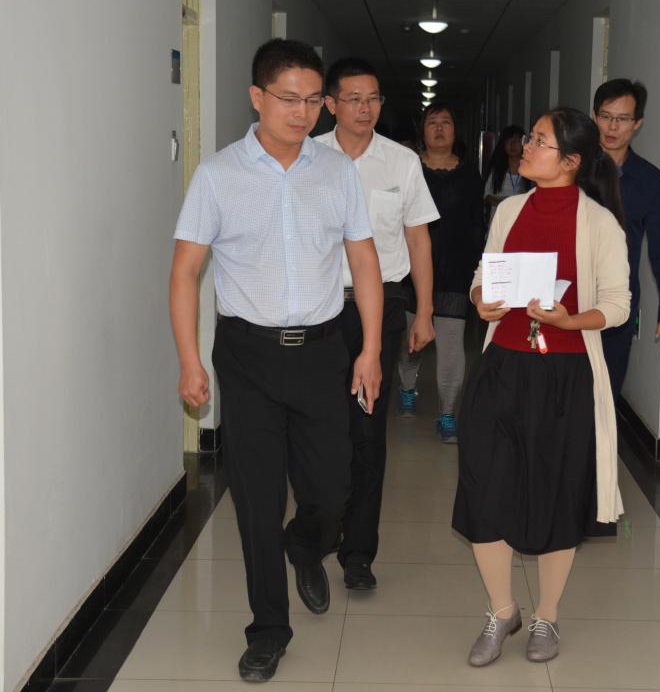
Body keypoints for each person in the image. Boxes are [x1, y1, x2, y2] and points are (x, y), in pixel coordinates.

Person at [169, 39, 383, 683]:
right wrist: (189, 360)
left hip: (322, 352)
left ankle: (306, 544)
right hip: (248, 357)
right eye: (289, 99)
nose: (303, 112)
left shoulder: (336, 171)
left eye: (314, 100)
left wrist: (371, 349)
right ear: (256, 98)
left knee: (333, 491)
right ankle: (268, 629)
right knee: (257, 501)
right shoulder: (218, 176)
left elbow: (364, 259)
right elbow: (185, 272)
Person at [452, 108, 630, 665]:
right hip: (502, 368)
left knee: (555, 493)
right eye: (530, 137)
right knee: (484, 488)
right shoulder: (509, 209)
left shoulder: (600, 224)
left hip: (564, 376)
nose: (525, 146)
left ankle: (546, 616)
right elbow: (484, 274)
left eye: (539, 141)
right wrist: (481, 299)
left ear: (571, 161)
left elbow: (618, 306)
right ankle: (502, 610)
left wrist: (568, 320)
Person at [316, 57, 439, 591]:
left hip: (383, 308)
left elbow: (418, 238)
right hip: (318, 309)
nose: (365, 109)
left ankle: (359, 552)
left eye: (374, 99)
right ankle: (320, 529)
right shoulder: (307, 157)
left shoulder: (401, 162)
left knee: (367, 430)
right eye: (354, 99)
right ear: (330, 105)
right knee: (322, 430)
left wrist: (424, 311)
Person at [593, 78, 660, 400]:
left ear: (638, 123)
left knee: (605, 394)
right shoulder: (572, 169)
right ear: (594, 116)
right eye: (606, 116)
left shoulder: (650, 180)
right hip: (567, 298)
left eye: (623, 119)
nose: (612, 126)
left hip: (617, 302)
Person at [397, 103, 484, 443]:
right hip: (410, 271)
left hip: (455, 272)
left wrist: (477, 269)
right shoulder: (409, 169)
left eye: (446, 122)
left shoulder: (470, 174)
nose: (439, 128)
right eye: (432, 122)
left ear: (455, 130)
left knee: (450, 343)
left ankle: (447, 413)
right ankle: (407, 388)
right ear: (423, 130)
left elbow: (477, 226)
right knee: (411, 341)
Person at [482, 124, 530, 226]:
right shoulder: (497, 170)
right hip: (498, 221)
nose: (512, 144)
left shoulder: (530, 169)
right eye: (508, 140)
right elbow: (486, 195)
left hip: (521, 221)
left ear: (523, 143)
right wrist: (504, 202)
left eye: (517, 140)